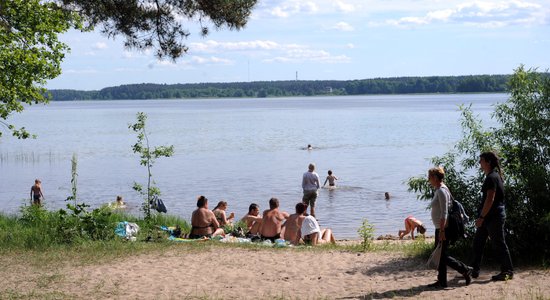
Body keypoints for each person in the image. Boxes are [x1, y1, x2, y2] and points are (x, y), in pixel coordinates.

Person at [470, 151, 514, 281]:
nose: (479, 163)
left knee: (499, 243)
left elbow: (490, 199)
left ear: (488, 162)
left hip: (493, 217)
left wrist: (482, 217)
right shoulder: (494, 176)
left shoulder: (492, 177)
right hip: (490, 216)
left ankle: (507, 271)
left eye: (481, 160)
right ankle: (473, 270)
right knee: (478, 242)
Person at [427, 167, 472, 288]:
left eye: (430, 177)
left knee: (442, 255)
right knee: (441, 255)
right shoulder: (438, 189)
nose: (428, 180)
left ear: (435, 178)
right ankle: (442, 281)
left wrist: (442, 230)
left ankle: (465, 269)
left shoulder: (441, 191)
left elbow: (444, 213)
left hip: (443, 228)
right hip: (440, 227)